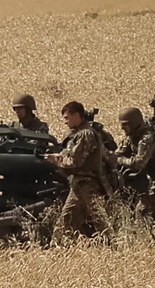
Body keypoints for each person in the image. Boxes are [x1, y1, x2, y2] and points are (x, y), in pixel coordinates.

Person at [44, 101, 112, 240]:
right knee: (66, 219)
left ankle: (115, 245)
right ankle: (58, 245)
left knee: (100, 220)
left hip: (88, 185)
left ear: (76, 115)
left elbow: (75, 161)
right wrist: (58, 156)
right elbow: (70, 154)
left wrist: (56, 160)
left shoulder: (85, 134)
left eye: (67, 117)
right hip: (79, 185)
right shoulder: (79, 134)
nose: (65, 122)